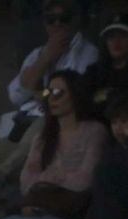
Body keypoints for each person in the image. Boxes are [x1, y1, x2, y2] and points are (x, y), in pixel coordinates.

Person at [0, 71, 112, 219]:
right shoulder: (44, 135)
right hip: (39, 207)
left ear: (75, 94)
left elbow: (84, 179)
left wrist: (48, 181)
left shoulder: (94, 131)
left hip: (70, 210)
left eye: (59, 92)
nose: (52, 97)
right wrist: (48, 184)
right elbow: (27, 180)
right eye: (48, 91)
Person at [12, 1, 101, 131]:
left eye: (64, 18)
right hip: (26, 120)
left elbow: (70, 94)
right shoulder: (38, 54)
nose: (57, 24)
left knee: (19, 151)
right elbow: (16, 95)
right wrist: (45, 59)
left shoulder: (88, 52)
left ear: (75, 20)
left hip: (58, 124)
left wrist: (41, 93)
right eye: (51, 20)